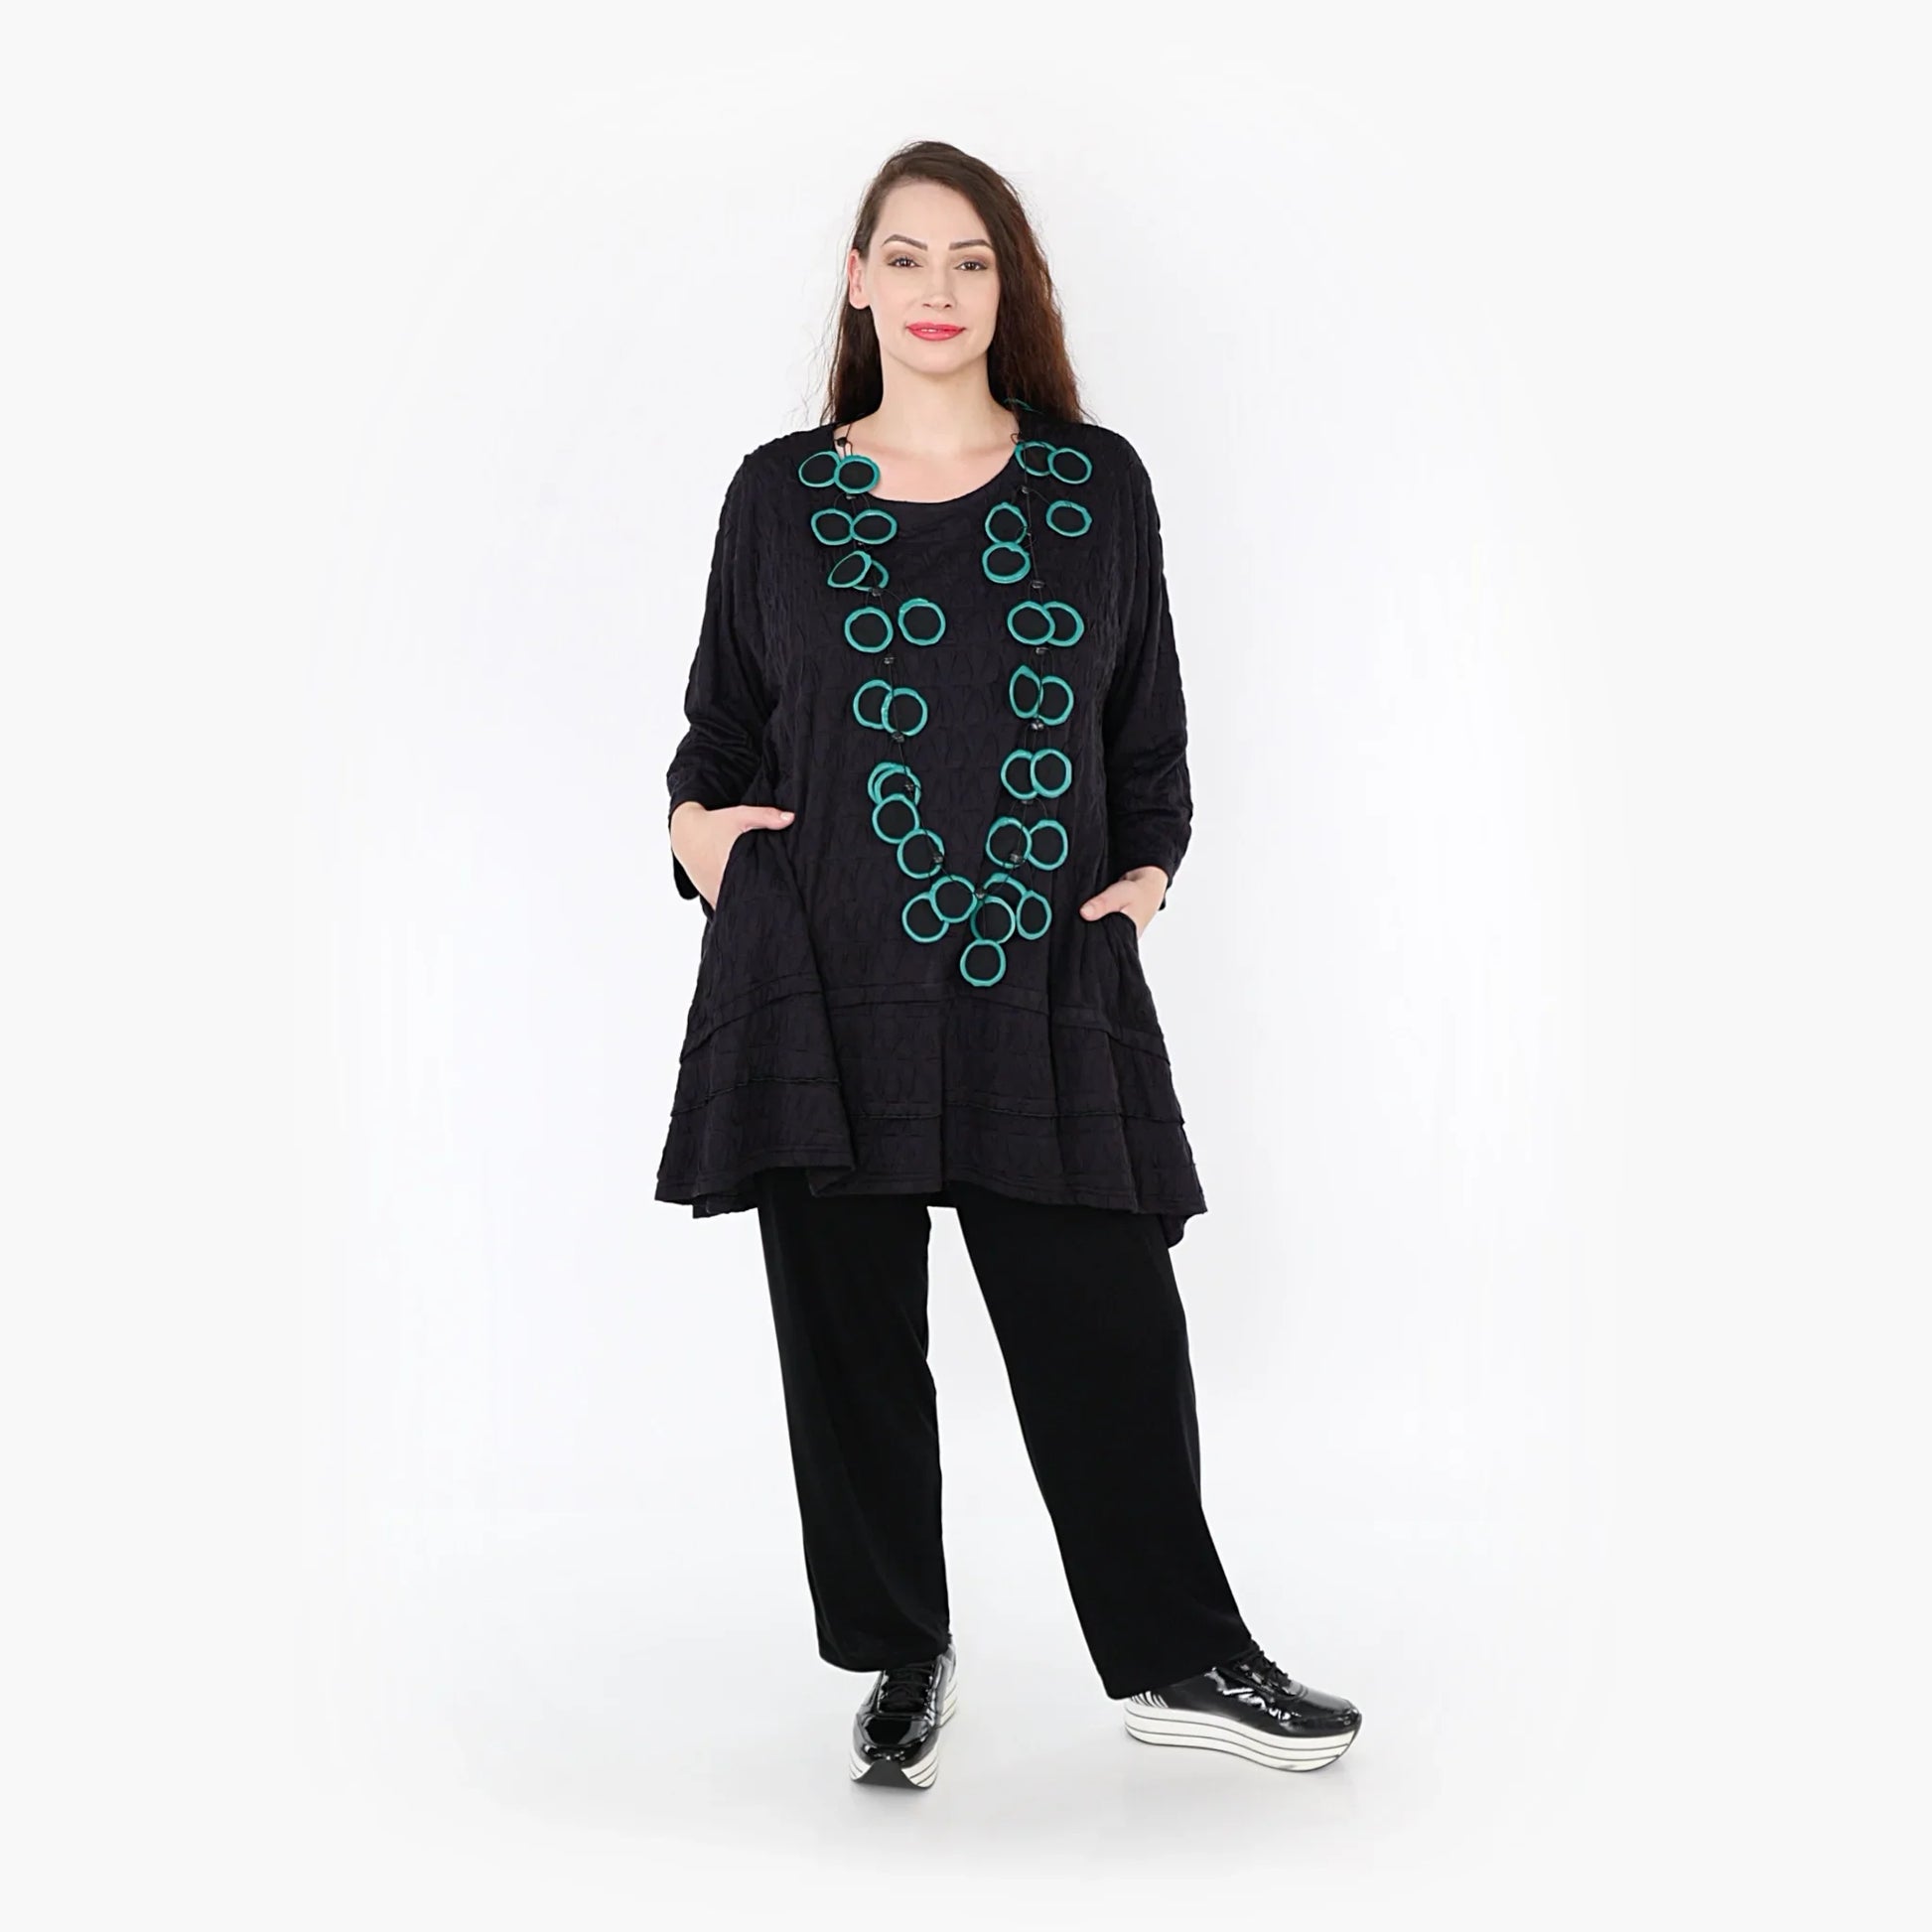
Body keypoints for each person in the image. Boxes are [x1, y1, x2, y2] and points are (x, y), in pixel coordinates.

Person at [657, 141, 1362, 1787]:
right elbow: (718, 728)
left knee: (1104, 1318)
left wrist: (1145, 878)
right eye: (904, 258)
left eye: (970, 262)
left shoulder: (1092, 485)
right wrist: (698, 837)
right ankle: (899, 1649)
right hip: (817, 965)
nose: (936, 291)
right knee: (847, 1345)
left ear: (1008, 288)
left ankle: (1180, 1654)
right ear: (857, 281)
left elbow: (1145, 723)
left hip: (1036, 969)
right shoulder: (776, 495)